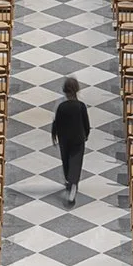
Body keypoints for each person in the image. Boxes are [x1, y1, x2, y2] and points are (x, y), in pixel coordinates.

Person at [51, 77, 90, 205]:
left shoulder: (61, 106)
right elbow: (86, 123)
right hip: (78, 138)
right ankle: (73, 183)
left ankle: (69, 180)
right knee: (76, 160)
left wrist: (55, 135)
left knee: (66, 159)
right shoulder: (81, 106)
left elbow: (56, 123)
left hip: (64, 138)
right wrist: (86, 134)